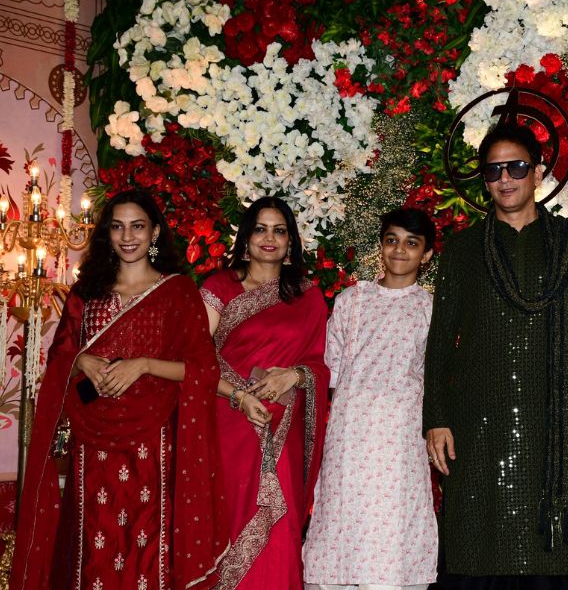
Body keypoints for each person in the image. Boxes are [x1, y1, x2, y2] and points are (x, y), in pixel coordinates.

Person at [11, 190, 228, 590]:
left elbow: (203, 369)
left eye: (138, 226)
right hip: (92, 441)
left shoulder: (178, 292)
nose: (128, 237)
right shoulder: (87, 292)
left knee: (147, 545)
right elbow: (60, 357)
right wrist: (81, 361)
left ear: (155, 232)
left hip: (154, 442)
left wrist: (143, 365)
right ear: (106, 234)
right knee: (94, 542)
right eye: (117, 227)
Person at [423, 122, 568, 589]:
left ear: (538, 172)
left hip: (551, 418)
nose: (505, 179)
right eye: (493, 171)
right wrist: (437, 419)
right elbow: (441, 340)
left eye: (517, 167)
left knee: (547, 560)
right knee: (476, 550)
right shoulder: (464, 248)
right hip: (477, 421)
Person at [303, 208, 439, 590]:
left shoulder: (431, 309)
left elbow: (435, 376)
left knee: (394, 518)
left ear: (426, 254)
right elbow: (331, 368)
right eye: (392, 240)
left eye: (411, 243)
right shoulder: (353, 300)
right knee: (342, 513)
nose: (399, 250)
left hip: (401, 436)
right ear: (381, 245)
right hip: (351, 432)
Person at [201, 196, 329, 589]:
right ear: (246, 237)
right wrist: (238, 395)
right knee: (226, 518)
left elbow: (321, 364)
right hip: (228, 420)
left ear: (291, 241)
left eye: (279, 230)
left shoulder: (307, 296)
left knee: (280, 524)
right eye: (260, 229)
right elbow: (194, 358)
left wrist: (295, 375)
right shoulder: (219, 287)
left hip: (282, 427)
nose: (269, 238)